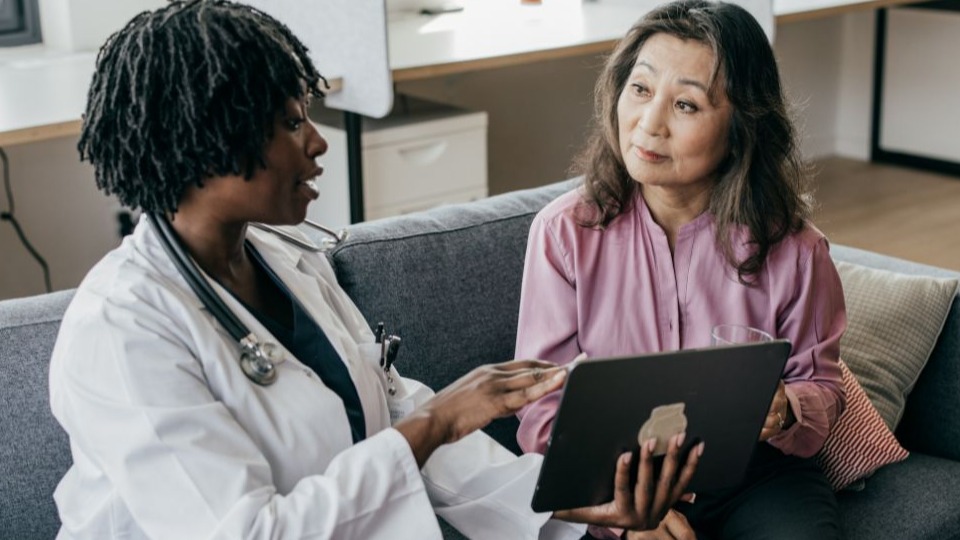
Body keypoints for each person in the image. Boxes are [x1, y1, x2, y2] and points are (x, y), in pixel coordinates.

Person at [48, 1, 702, 538]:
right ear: (210, 141)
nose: (317, 139)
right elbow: (251, 532)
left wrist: (578, 506)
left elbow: (392, 417)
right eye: (290, 121)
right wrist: (436, 420)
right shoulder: (122, 331)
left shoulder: (287, 261)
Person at [515, 1, 847, 539]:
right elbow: (541, 413)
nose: (649, 124)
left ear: (741, 127)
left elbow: (824, 389)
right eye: (640, 90)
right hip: (616, 482)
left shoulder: (797, 251)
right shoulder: (563, 234)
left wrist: (787, 409)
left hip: (754, 477)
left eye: (686, 105)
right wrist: (625, 520)